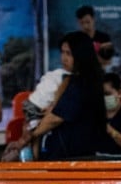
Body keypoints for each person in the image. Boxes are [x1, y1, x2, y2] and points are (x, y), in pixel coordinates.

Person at [6, 32, 107, 161]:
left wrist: (28, 137)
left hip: (73, 157)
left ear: (81, 55)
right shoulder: (83, 79)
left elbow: (55, 118)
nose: (63, 58)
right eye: (62, 52)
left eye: (69, 54)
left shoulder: (81, 83)